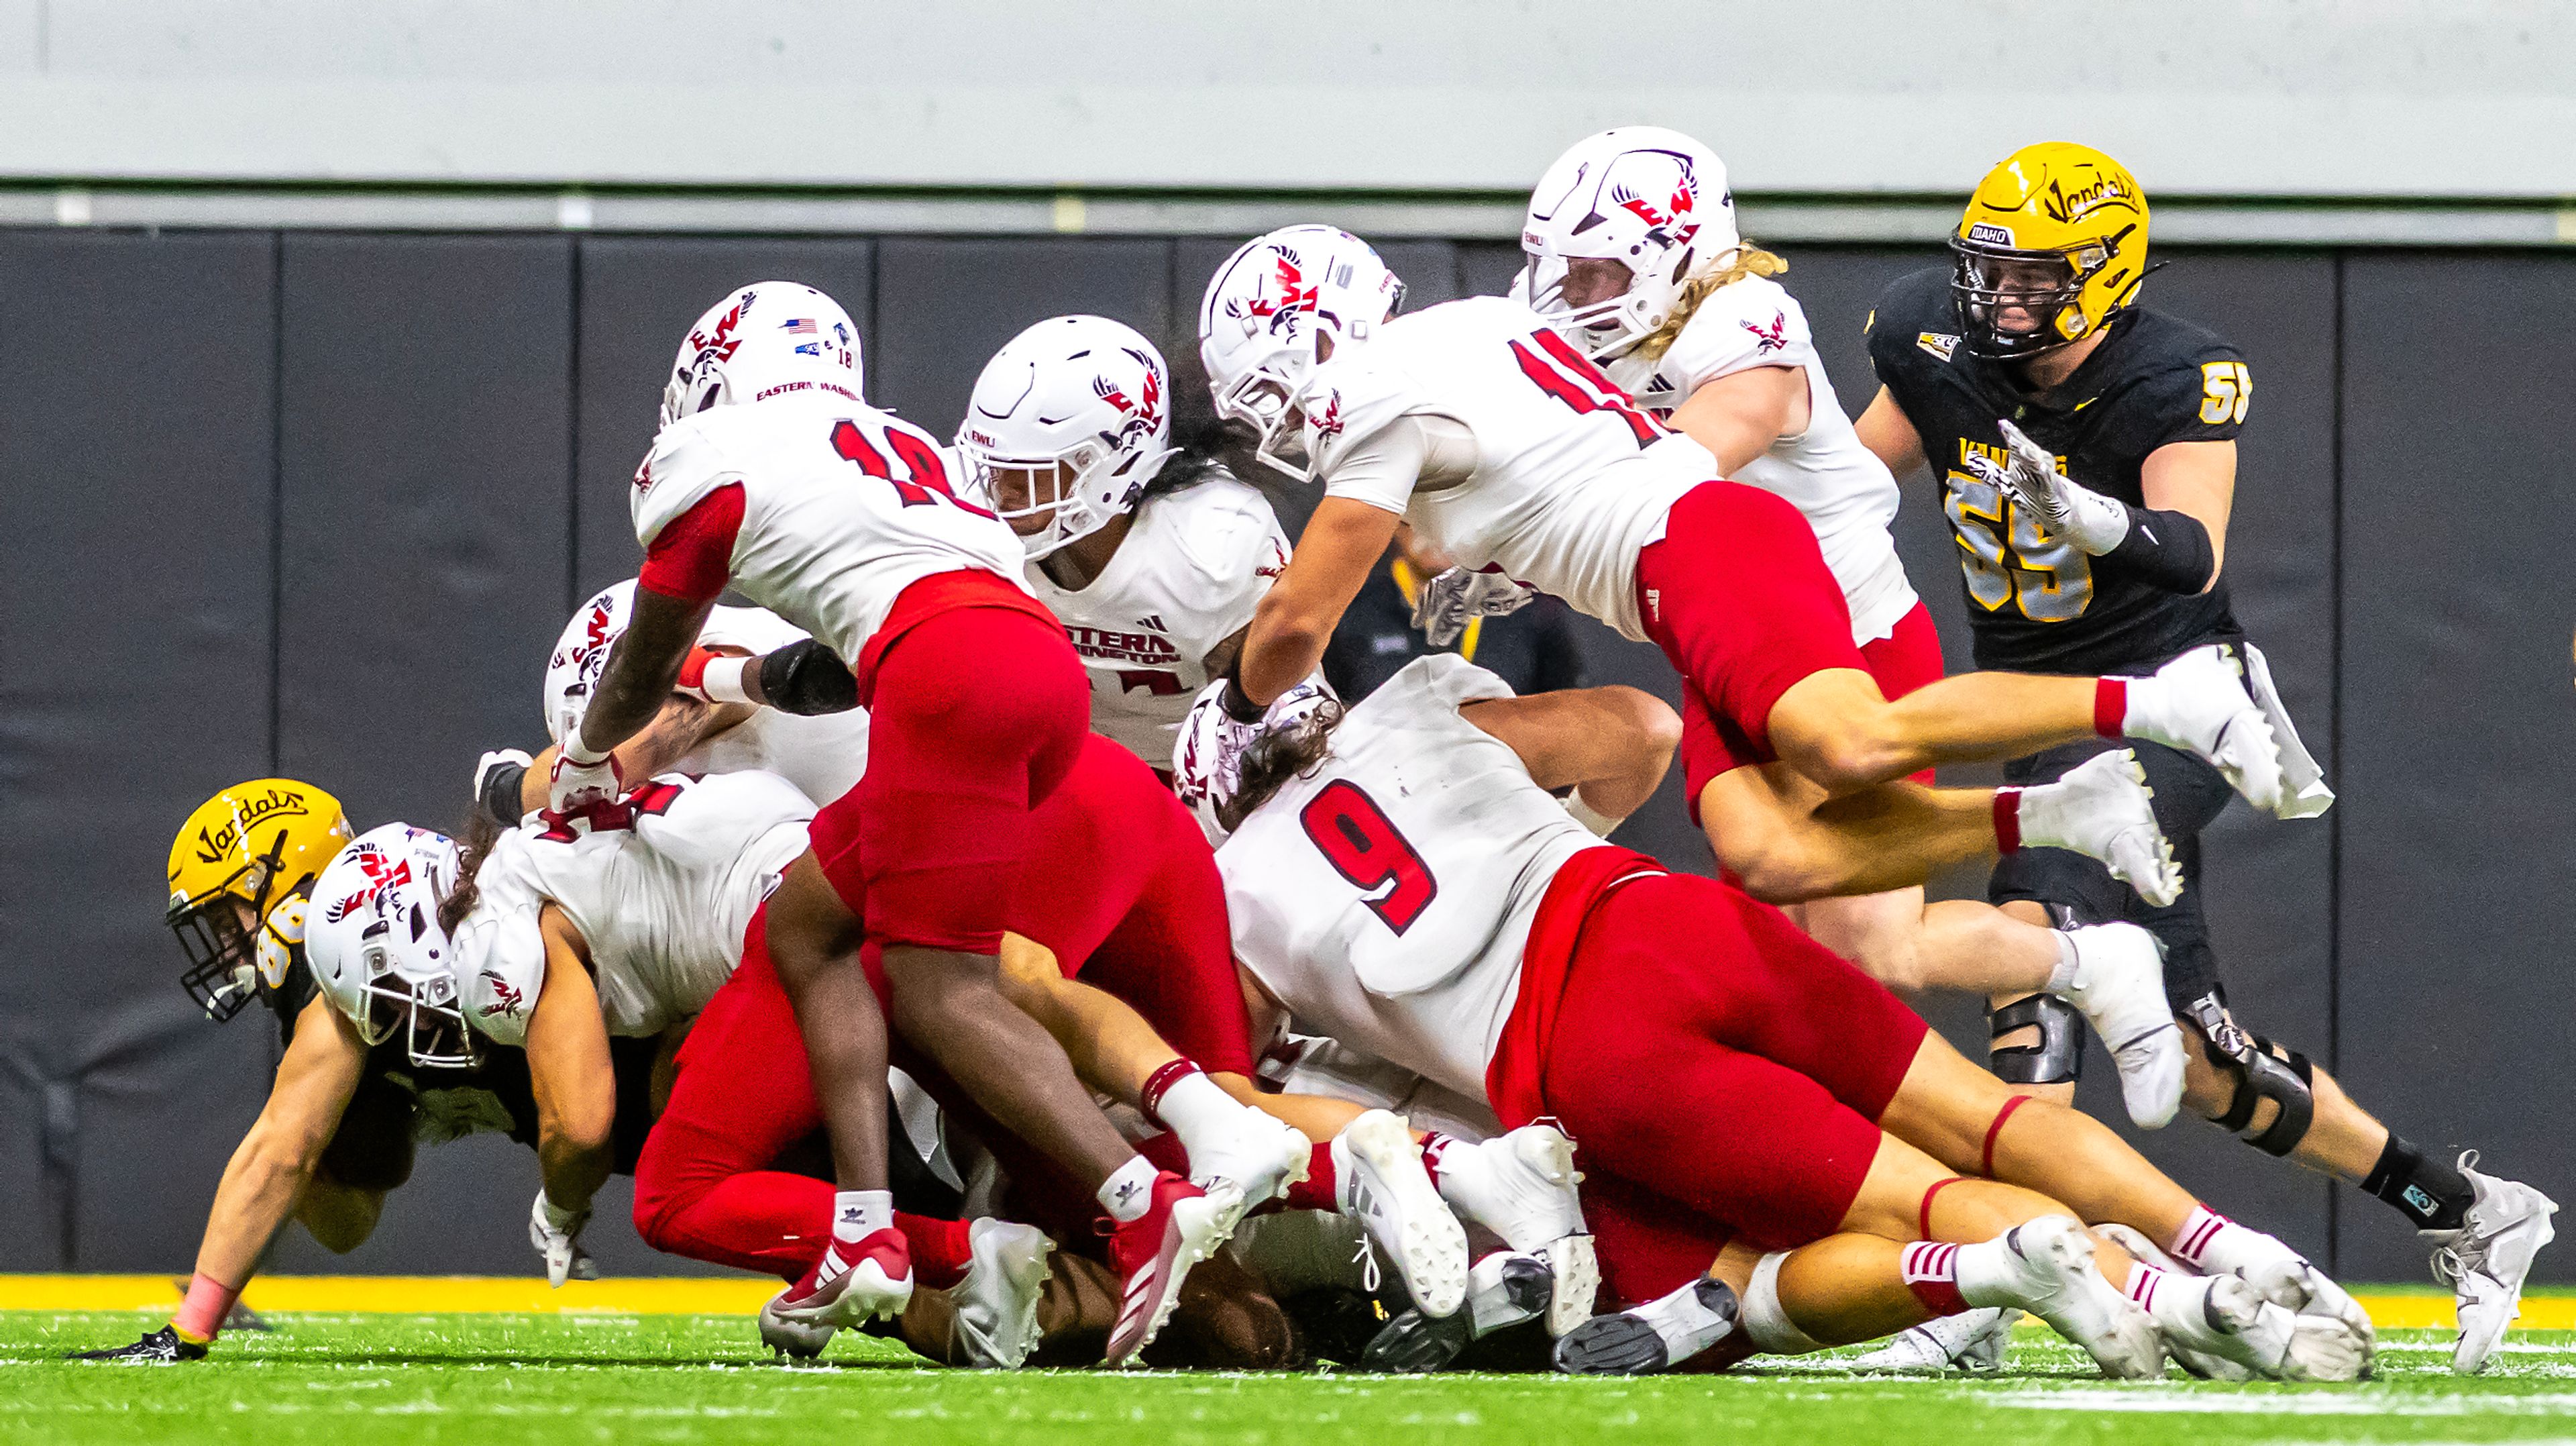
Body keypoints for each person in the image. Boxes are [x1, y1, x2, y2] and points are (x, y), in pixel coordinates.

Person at [1184, 227, 2293, 1088]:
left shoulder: (1382, 393)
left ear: (1312, 335)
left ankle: (2155, 696)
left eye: (1269, 383)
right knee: (1768, 855)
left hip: (1702, 547)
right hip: (1680, 575)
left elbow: (1294, 622)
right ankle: (2062, 833)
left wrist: (1234, 706)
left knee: (1849, 743)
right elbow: (1519, 481)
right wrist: (1486, 558)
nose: (1279, 421)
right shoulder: (1464, 331)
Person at [1852, 141, 2556, 1374]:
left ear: (2108, 276)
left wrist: (2094, 516)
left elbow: (2195, 552)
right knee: (2195, 1055)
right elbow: (1850, 488)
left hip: (2168, 704)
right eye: (1992, 275)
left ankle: (1996, 1283)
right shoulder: (1927, 334)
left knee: (2041, 937)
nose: (2001, 303)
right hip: (2020, 705)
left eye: (2036, 281)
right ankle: (2469, 1213)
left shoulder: (2173, 372)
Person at [1203, 654, 2371, 1381]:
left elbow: (1243, 1082)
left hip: (1579, 1046)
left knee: (1912, 1208)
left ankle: (2200, 1307)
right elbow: (1644, 731)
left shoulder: (1237, 895)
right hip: (1659, 915)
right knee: (1981, 1117)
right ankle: (2242, 1254)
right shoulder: (1413, 710)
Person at [561, 280, 1231, 1357]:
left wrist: (587, 761)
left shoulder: (712, 456)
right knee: (807, 923)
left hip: (948, 672)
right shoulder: (900, 444)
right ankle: (864, 1232)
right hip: (1033, 672)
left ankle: (1142, 1201)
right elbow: (829, 673)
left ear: (711, 379)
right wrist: (733, 671)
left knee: (938, 986)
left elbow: (640, 659)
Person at [1509, 126, 2108, 1049]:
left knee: (1876, 951)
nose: (1570, 297)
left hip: (1849, 639)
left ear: (1680, 253)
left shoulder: (1748, 324)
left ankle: (2089, 966)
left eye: (1597, 274)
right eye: (1561, 270)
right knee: (1770, 912)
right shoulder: (1570, 324)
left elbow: (1675, 472)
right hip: (1731, 646)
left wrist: (1514, 541)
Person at [956, 314, 1295, 778]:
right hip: (1055, 767)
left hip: (1207, 772)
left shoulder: (1212, 540)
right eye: (994, 467)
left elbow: (1276, 716)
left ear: (1117, 464)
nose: (1002, 493)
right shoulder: (968, 515)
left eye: (1028, 471)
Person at [1323, 519, 1586, 703]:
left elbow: (1568, 713)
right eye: (1417, 518)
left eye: (1444, 518)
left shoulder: (1533, 612)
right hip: (1388, 777)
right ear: (1393, 523)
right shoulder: (1348, 611)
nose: (1433, 532)